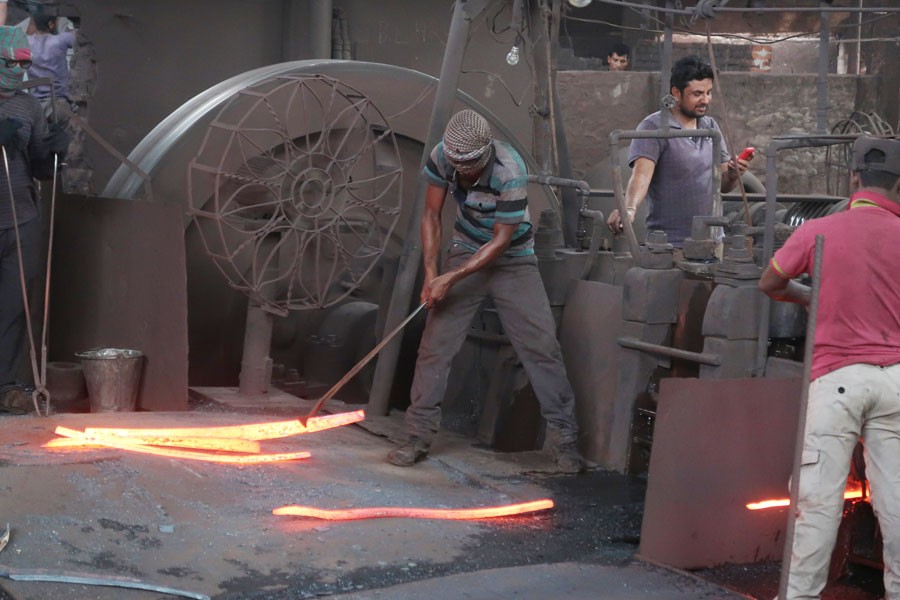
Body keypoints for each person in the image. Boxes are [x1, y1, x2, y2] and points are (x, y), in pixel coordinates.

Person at [386, 109, 584, 473]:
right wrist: (432, 274)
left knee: (541, 347)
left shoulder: (510, 170)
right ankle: (417, 436)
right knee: (435, 347)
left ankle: (565, 442)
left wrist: (452, 278)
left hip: (514, 258)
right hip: (464, 246)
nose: (465, 174)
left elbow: (500, 242)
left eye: (472, 168)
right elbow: (430, 216)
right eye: (459, 167)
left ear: (485, 154)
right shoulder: (444, 156)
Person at [759, 136, 900, 600]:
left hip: (836, 380)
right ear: (897, 186)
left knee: (817, 504)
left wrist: (807, 295)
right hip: (896, 381)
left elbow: (771, 282)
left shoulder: (821, 232)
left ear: (853, 179)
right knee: (898, 507)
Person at [606, 55, 751, 248]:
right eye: (697, 94)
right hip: (670, 244)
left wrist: (733, 175)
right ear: (676, 92)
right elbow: (641, 175)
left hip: (713, 241)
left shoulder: (711, 127)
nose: (705, 100)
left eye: (708, 93)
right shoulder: (654, 127)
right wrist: (629, 209)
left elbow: (723, 185)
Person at [0, 25, 69, 407]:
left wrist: (56, 151)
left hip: (20, 219)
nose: (16, 72)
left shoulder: (26, 107)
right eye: (8, 63)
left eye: (21, 65)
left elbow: (41, 167)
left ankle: (4, 385)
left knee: (14, 307)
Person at [27, 13, 77, 120]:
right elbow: (84, 38)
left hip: (35, 106)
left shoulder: (26, 42)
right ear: (51, 24)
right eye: (57, 21)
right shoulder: (61, 39)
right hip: (59, 103)